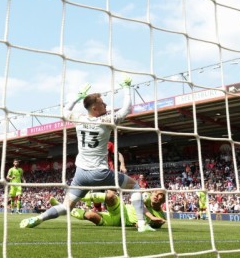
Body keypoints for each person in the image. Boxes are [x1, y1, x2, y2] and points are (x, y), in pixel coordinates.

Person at [20, 78, 154, 232]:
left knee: (65, 206)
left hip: (81, 174)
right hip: (100, 172)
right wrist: (126, 88)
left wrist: (77, 97)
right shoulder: (106, 120)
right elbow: (126, 109)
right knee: (135, 186)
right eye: (103, 103)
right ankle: (142, 224)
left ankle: (38, 218)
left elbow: (63, 112)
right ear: (95, 108)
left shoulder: (79, 119)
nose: (105, 105)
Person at [70, 190, 167, 229]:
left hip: (118, 222)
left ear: (163, 201)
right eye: (155, 193)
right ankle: (77, 196)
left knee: (90, 215)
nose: (156, 196)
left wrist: (153, 224)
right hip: (121, 209)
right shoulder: (146, 196)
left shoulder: (161, 216)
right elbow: (139, 203)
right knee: (110, 196)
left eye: (160, 196)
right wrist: (151, 217)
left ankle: (67, 208)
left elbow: (151, 226)